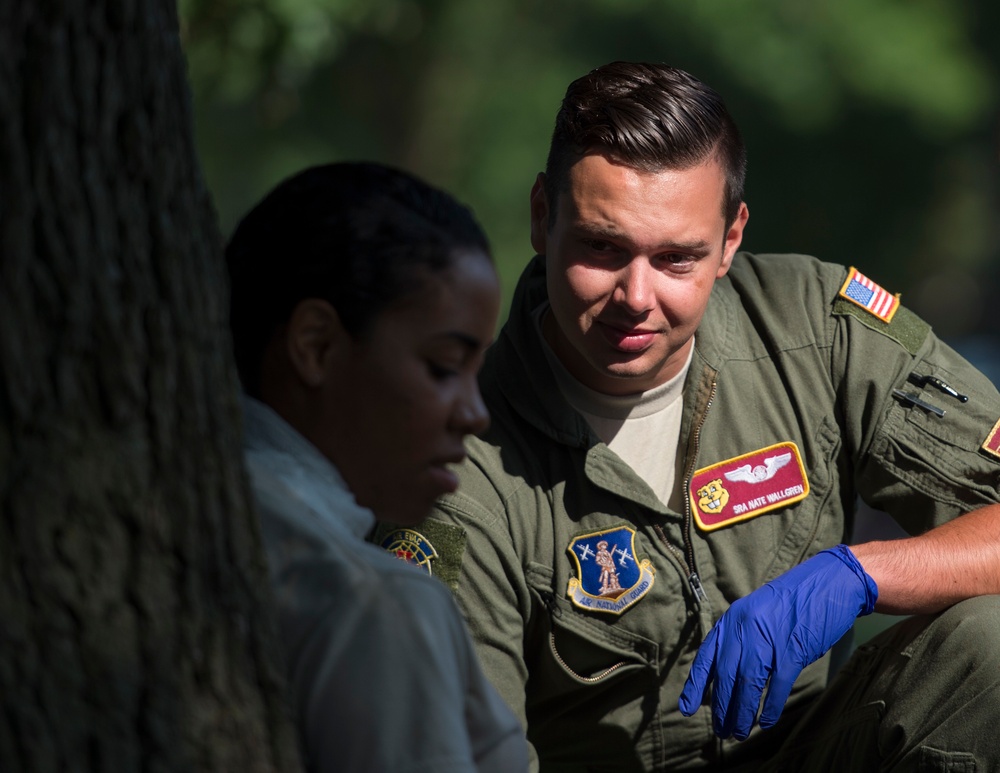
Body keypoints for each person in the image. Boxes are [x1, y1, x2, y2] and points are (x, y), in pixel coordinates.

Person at [372, 63, 1000, 771]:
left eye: (676, 258)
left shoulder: (815, 331)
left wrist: (862, 572)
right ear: (543, 217)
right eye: (603, 248)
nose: (635, 297)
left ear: (731, 238)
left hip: (813, 751)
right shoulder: (455, 464)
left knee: (991, 643)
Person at [226, 162, 530, 772]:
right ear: (316, 345)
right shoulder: (375, 601)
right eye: (444, 368)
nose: (475, 415)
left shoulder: (190, 502)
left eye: (477, 373)